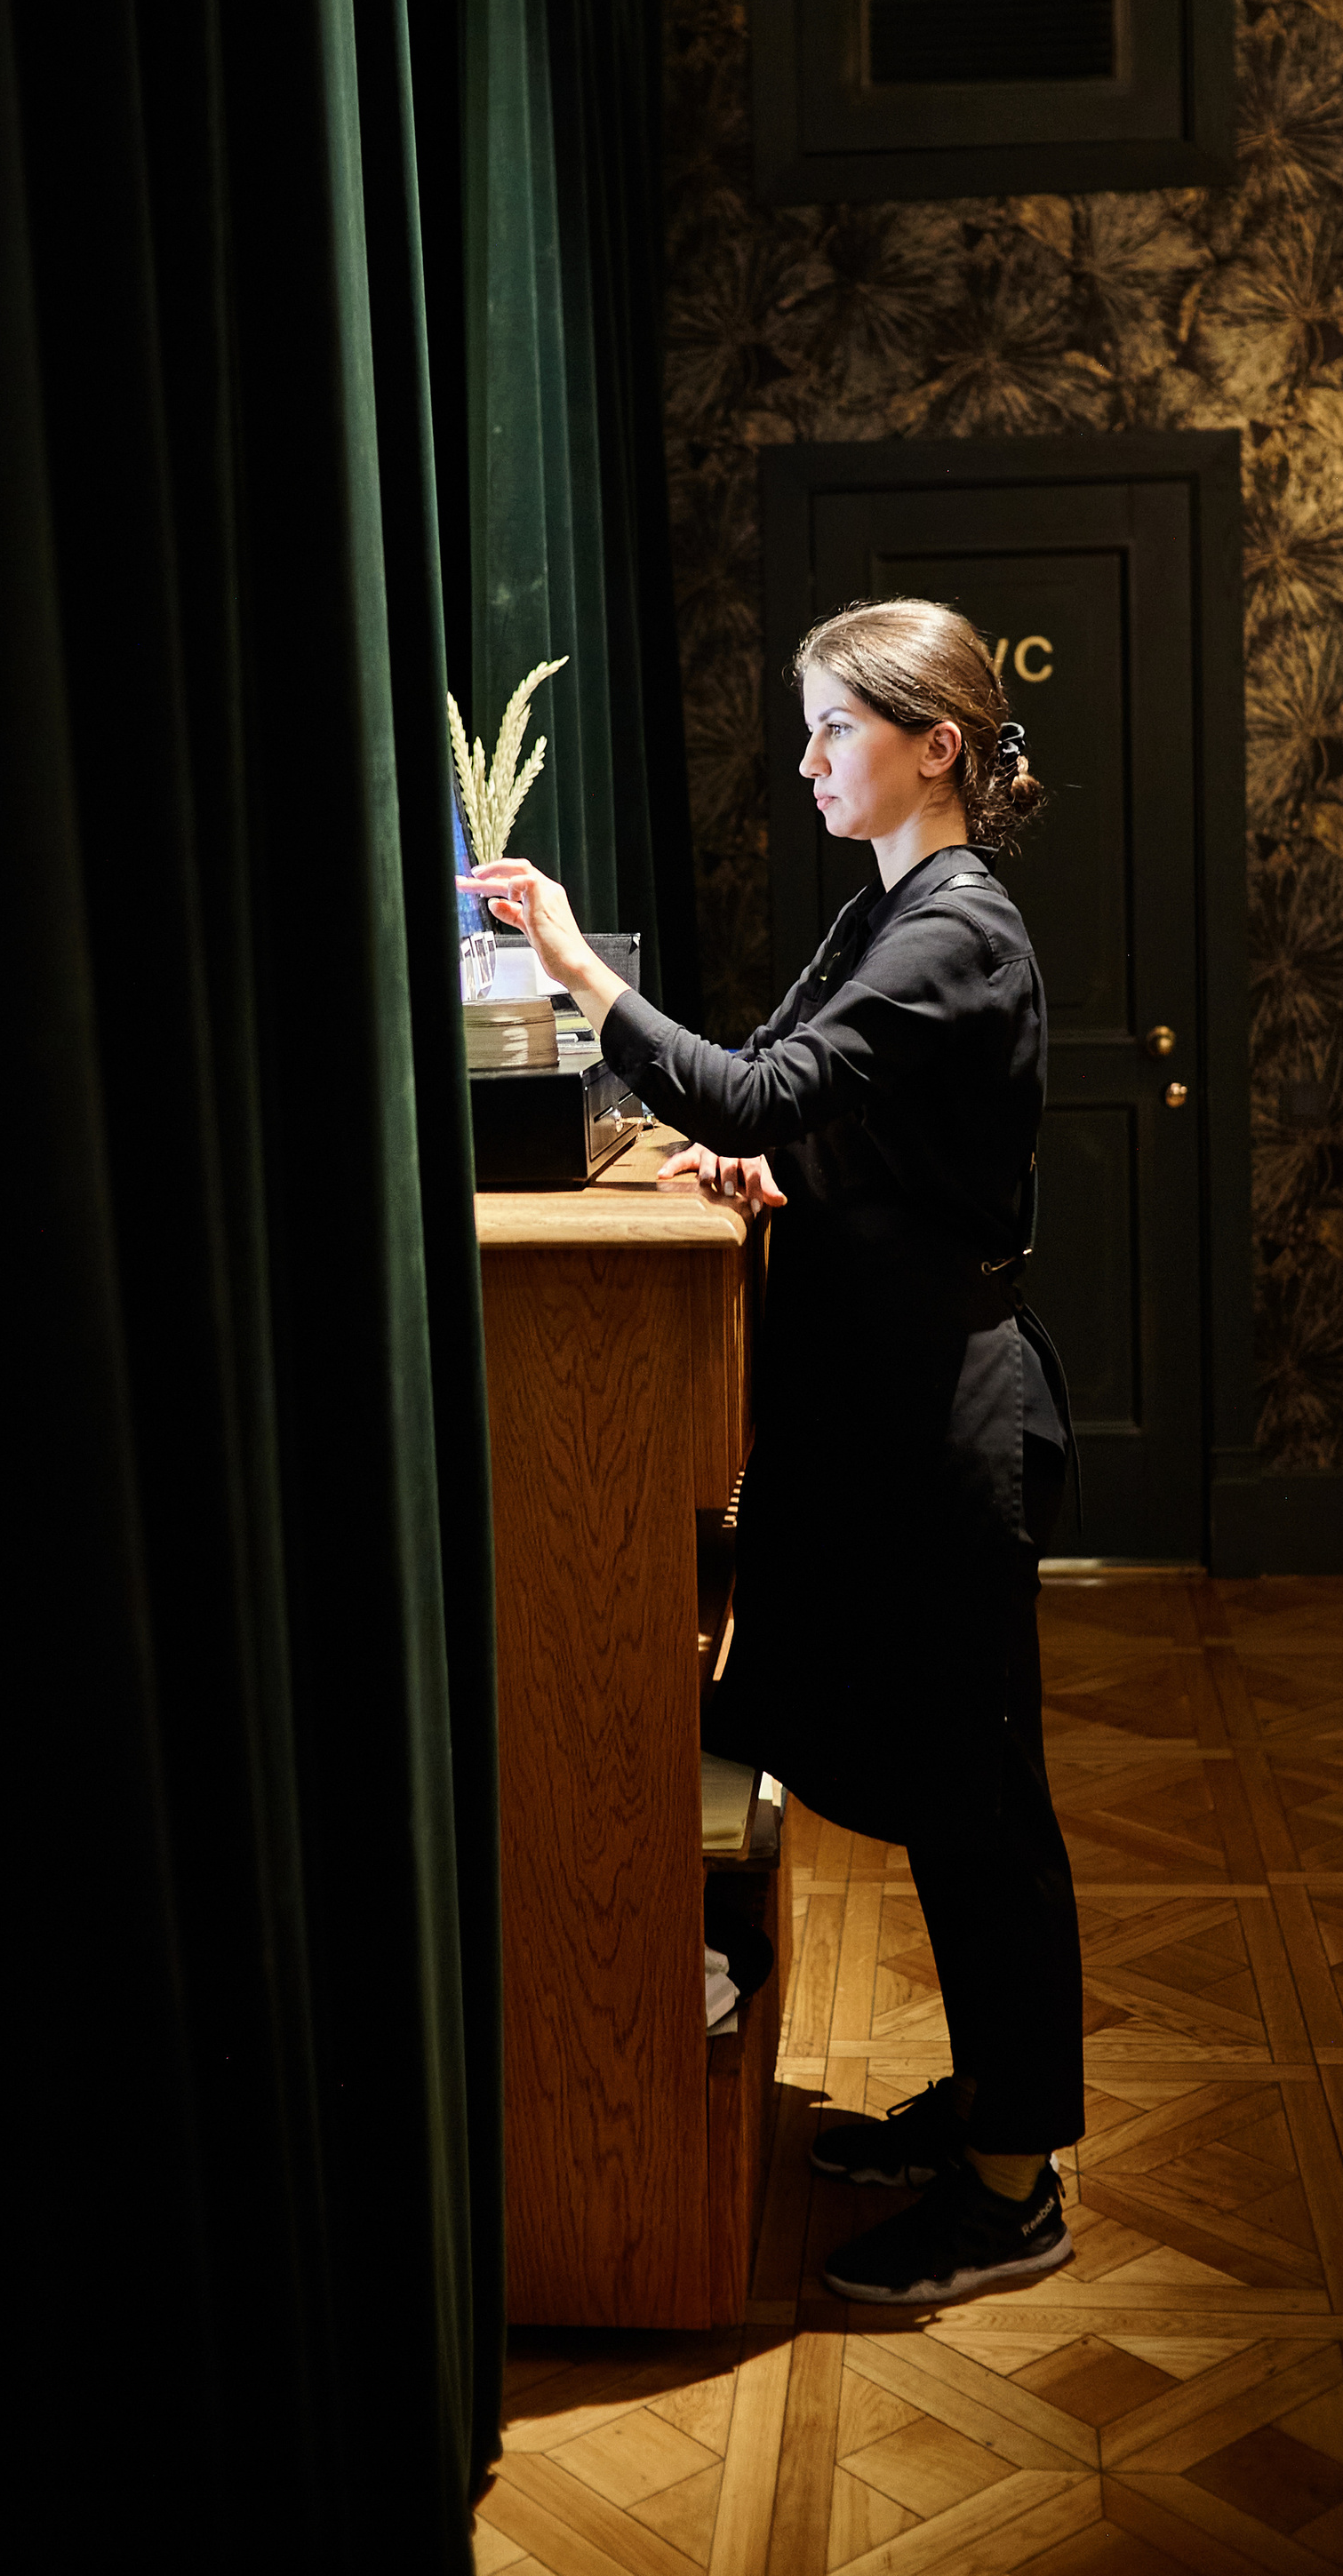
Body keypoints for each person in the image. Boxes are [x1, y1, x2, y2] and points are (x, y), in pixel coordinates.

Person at [460, 598, 1083, 2307]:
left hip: (945, 1424)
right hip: (882, 1410)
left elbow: (753, 1090)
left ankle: (1015, 2189)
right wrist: (776, 1168)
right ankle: (987, 2118)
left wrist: (583, 970)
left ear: (934, 747)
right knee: (926, 1778)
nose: (805, 760)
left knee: (980, 1807)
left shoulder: (957, 928)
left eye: (832, 731)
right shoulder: (896, 906)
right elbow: (806, 1112)